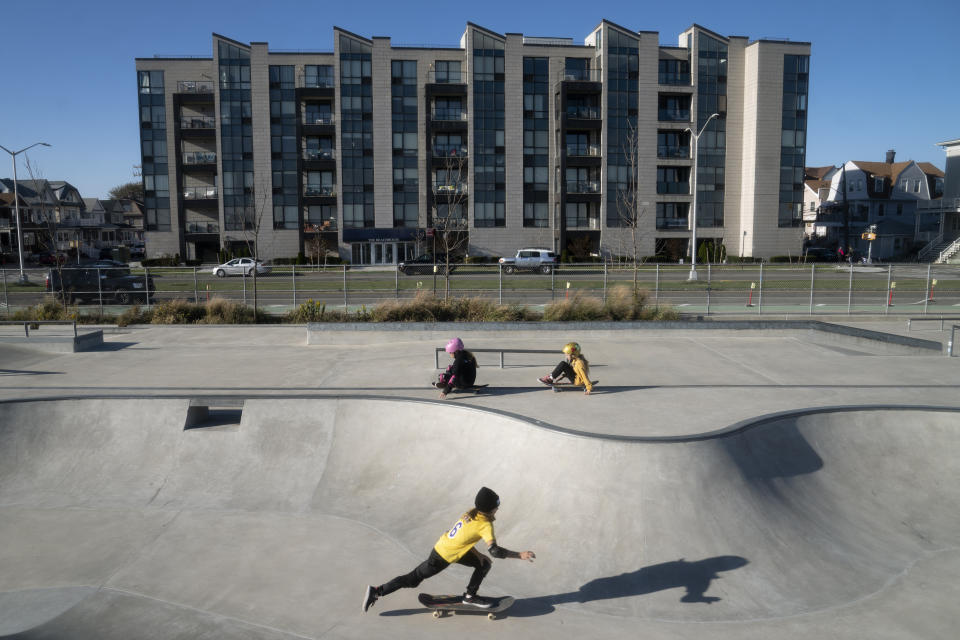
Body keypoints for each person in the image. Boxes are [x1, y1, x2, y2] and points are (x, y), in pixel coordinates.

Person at [362, 487, 535, 612]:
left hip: (451, 547)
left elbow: (465, 537)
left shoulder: (472, 512)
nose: (498, 509)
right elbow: (495, 551)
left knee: (484, 563)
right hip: (443, 555)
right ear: (489, 508)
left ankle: (470, 596)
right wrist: (520, 555)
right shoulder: (485, 524)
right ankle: (378, 591)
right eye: (496, 506)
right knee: (412, 579)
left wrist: (478, 554)